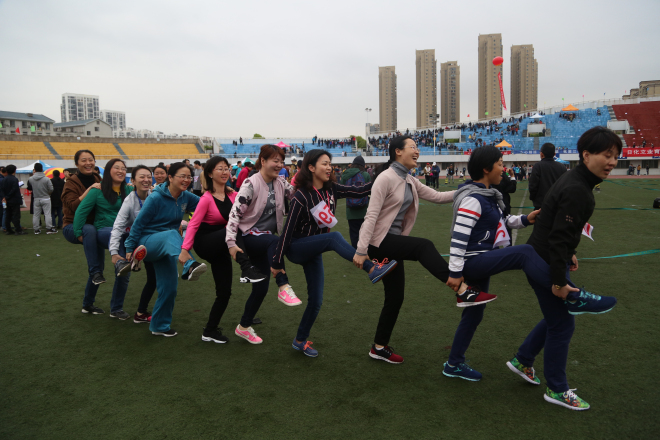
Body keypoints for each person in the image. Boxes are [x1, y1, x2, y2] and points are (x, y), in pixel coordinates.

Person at [443, 146, 615, 383]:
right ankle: (570, 293)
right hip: (472, 262)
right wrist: (455, 272)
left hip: (481, 259)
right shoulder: (473, 199)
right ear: (486, 169)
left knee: (474, 314)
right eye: (500, 164)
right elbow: (458, 237)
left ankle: (454, 363)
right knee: (524, 252)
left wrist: (525, 219)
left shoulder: (488, 195)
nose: (504, 169)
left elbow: (502, 221)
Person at [352, 136, 497, 364]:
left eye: (417, 147)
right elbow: (371, 215)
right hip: (379, 242)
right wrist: (361, 250)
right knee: (423, 246)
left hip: (393, 243)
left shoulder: (409, 180)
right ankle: (461, 289)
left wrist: (469, 189)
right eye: (412, 147)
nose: (417, 151)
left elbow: (438, 197)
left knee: (395, 297)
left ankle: (379, 347)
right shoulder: (385, 178)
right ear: (398, 151)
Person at [514, 127, 622, 410]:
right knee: (562, 323)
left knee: (555, 318)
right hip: (543, 259)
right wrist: (560, 282)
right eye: (607, 155)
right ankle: (557, 388)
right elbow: (558, 237)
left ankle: (523, 359)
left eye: (616, 156)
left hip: (541, 255)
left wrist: (569, 254)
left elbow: (561, 228)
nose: (612, 162)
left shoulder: (576, 179)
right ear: (586, 155)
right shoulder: (577, 187)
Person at [272, 150, 398, 357]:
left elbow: (360, 191)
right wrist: (277, 262)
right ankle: (371, 268)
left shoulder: (331, 188)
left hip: (315, 248)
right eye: (324, 164)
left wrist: (385, 174)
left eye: (330, 163)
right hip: (297, 248)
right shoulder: (301, 196)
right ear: (311, 167)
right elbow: (286, 231)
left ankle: (300, 340)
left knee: (316, 301)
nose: (329, 167)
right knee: (334, 238)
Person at [179, 157, 268, 344]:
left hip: (224, 243)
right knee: (233, 228)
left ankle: (210, 330)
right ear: (210, 173)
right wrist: (185, 249)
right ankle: (246, 267)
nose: (225, 172)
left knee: (224, 292)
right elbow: (193, 225)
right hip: (206, 242)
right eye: (220, 168)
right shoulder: (206, 198)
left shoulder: (233, 195)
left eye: (226, 168)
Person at [225, 145, 299, 344]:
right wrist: (231, 243)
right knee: (275, 241)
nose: (279, 165)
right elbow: (234, 215)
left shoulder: (280, 182)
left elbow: (297, 197)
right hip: (248, 237)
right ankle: (283, 285)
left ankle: (243, 327)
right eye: (275, 160)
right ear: (263, 161)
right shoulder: (251, 183)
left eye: (281, 161)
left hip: (265, 241)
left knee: (261, 287)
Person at [124, 162, 207, 337]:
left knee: (169, 288)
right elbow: (138, 224)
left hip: (169, 246)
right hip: (147, 242)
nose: (186, 180)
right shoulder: (155, 197)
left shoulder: (186, 196)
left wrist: (226, 193)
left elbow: (206, 206)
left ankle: (159, 326)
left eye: (189, 177)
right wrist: (129, 248)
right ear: (170, 177)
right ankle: (189, 265)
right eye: (182, 176)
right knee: (171, 233)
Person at [73, 158, 133, 320]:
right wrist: (79, 233)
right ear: (108, 171)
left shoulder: (129, 190)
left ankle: (114, 308)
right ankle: (120, 263)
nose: (121, 171)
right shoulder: (97, 190)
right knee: (118, 253)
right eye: (117, 168)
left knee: (123, 270)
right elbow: (81, 212)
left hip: (123, 234)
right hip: (104, 231)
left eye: (123, 168)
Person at [109, 165, 156, 324]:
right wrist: (114, 252)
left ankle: (141, 312)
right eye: (142, 177)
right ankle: (118, 309)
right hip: (131, 239)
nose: (146, 180)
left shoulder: (155, 196)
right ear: (133, 181)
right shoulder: (129, 201)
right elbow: (118, 227)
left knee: (155, 278)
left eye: (148, 176)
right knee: (125, 273)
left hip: (150, 239)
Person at [61, 150, 104, 308]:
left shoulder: (98, 178)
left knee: (100, 268)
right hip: (72, 227)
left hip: (93, 228)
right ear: (76, 164)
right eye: (84, 160)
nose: (88, 163)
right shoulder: (70, 183)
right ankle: (94, 271)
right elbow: (73, 206)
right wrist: (90, 189)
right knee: (89, 230)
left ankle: (88, 304)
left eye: (91, 160)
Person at [340, 155, 371, 248]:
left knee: (354, 235)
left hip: (351, 211)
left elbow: (341, 190)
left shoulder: (346, 174)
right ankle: (364, 253)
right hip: (364, 210)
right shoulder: (365, 175)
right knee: (365, 236)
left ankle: (354, 253)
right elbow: (370, 191)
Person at [529, 143, 567, 210]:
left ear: (541, 154)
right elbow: (566, 186)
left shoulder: (538, 166)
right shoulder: (562, 167)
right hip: (557, 206)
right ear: (554, 154)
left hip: (541, 205)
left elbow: (533, 186)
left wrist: (533, 198)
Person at [28, 163, 56, 235]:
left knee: (36, 215)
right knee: (47, 214)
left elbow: (30, 187)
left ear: (34, 170)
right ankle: (49, 228)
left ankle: (36, 229)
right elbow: (51, 189)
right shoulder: (46, 179)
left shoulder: (31, 179)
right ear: (42, 169)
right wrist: (48, 193)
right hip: (46, 197)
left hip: (36, 198)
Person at [1, 165, 26, 235]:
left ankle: (8, 229)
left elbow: (2, 189)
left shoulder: (4, 179)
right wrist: (8, 196)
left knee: (8, 215)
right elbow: (14, 189)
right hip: (14, 199)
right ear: (14, 170)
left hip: (7, 200)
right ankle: (18, 230)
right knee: (16, 215)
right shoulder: (14, 179)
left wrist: (4, 197)